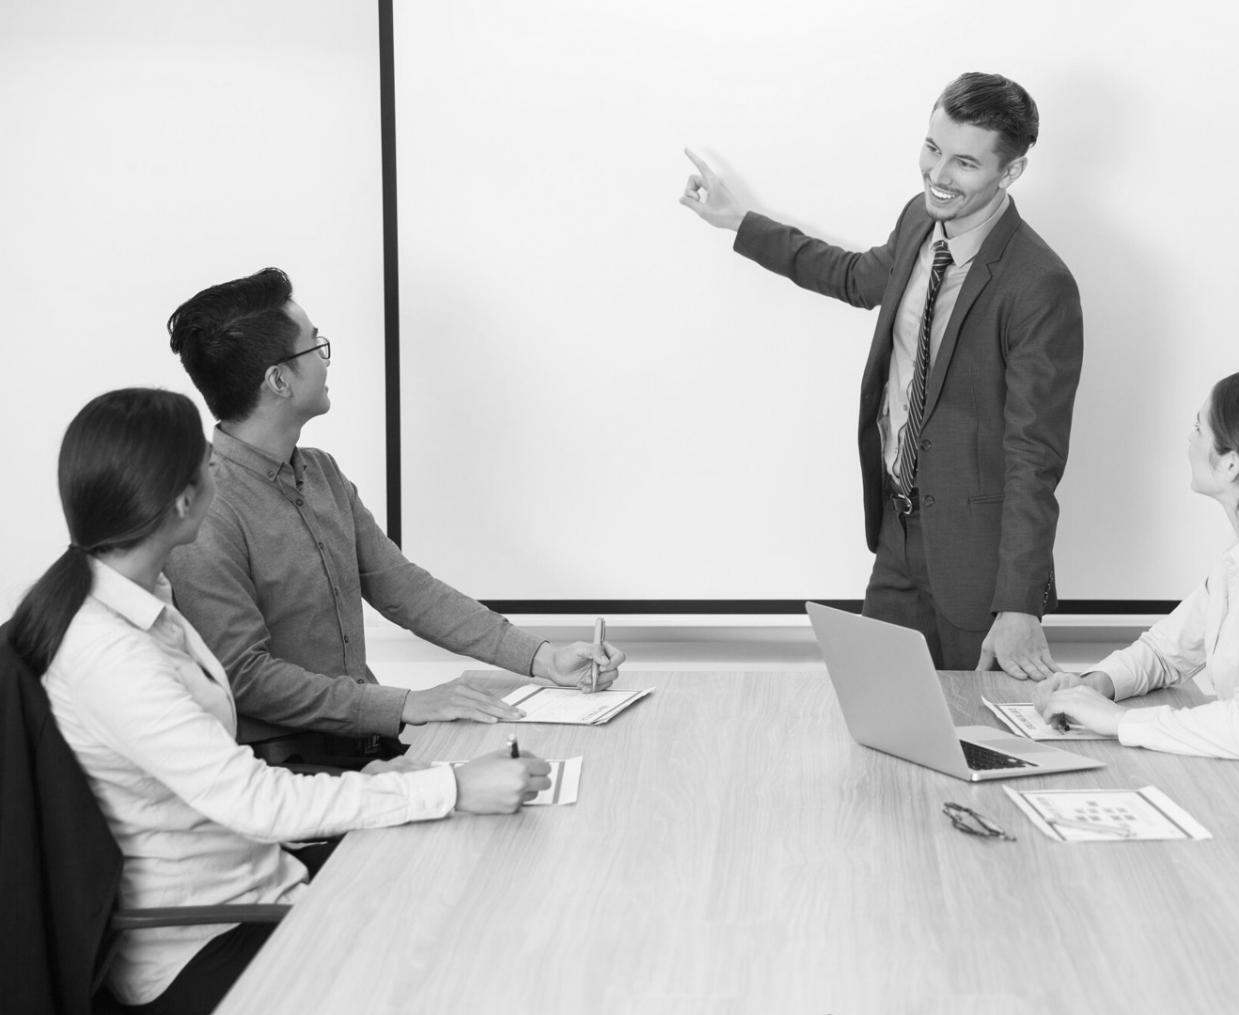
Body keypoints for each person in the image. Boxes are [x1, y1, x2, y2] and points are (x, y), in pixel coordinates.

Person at [12, 388, 552, 1013]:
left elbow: (221, 779)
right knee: (450, 945)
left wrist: (377, 784)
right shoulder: (110, 652)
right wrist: (453, 787)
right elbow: (251, 801)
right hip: (209, 932)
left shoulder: (146, 600)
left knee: (462, 881)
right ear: (185, 499)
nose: (218, 467)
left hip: (264, 881)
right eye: (205, 463)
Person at [680, 71, 1082, 676]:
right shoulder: (919, 224)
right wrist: (738, 222)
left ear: (1011, 171)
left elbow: (1034, 455)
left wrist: (1019, 604)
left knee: (979, 741)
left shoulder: (1038, 285)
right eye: (932, 148)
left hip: (978, 564)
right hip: (899, 531)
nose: (937, 175)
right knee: (884, 715)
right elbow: (851, 276)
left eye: (964, 164)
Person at [163, 268, 625, 769]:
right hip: (292, 772)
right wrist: (407, 703)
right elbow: (245, 676)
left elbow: (405, 589)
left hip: (373, 750)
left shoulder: (320, 472)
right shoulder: (208, 507)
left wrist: (543, 658)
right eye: (314, 346)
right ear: (278, 380)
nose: (324, 359)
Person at [1032, 371, 1239, 896]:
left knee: (1129, 878)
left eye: (1198, 428)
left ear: (1231, 462)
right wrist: (1097, 685)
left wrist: (1119, 722)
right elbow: (1165, 652)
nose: (1188, 440)